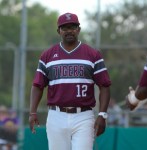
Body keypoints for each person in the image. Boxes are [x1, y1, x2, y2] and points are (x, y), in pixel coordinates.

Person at [29, 12, 111, 150]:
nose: (69, 31)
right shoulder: (47, 55)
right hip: (56, 115)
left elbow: (105, 85)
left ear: (78, 29)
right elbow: (37, 85)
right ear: (59, 31)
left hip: (84, 116)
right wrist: (32, 112)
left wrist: (102, 114)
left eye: (72, 27)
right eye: (64, 28)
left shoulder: (92, 54)